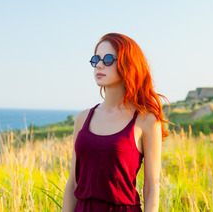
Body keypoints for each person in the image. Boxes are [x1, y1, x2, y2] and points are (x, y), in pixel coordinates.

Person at [62, 33, 169, 212]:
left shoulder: (146, 121)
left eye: (109, 59)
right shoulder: (82, 119)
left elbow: (151, 187)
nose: (100, 65)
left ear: (128, 64)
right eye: (96, 59)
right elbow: (73, 182)